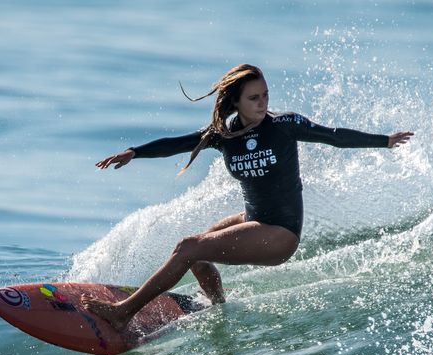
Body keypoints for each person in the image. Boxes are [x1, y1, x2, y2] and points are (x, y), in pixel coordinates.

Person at [81, 64, 413, 331]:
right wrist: (134, 152)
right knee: (195, 253)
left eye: (265, 95)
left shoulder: (285, 126)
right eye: (254, 97)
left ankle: (123, 313)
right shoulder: (224, 135)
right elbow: (177, 143)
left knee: (188, 247)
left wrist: (384, 140)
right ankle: (217, 307)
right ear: (235, 102)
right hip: (252, 219)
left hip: (280, 233)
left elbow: (334, 136)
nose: (263, 102)